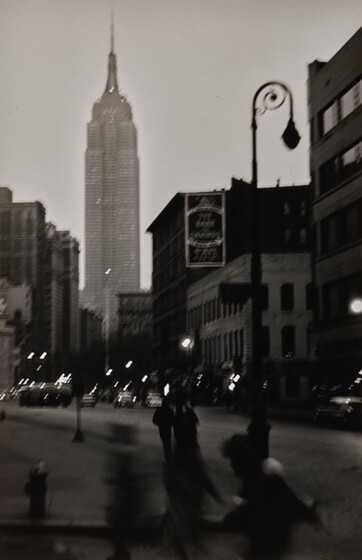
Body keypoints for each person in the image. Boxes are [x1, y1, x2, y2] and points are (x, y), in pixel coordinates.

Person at [221, 434, 320, 560]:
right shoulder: (256, 480)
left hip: (269, 544)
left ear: (241, 461)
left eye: (233, 460)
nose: (231, 465)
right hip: (269, 542)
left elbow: (245, 513)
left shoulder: (260, 482)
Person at [152, 396, 174, 463]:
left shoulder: (159, 410)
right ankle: (168, 455)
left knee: (165, 441)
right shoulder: (170, 410)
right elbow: (173, 419)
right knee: (168, 441)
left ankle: (167, 454)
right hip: (168, 427)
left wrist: (160, 423)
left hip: (162, 428)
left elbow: (154, 420)